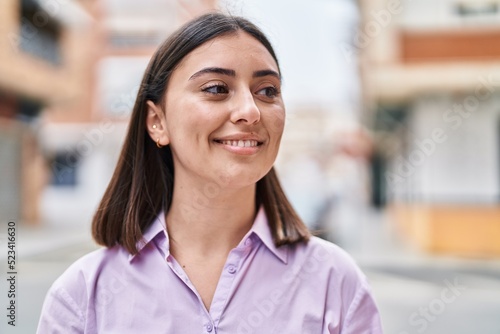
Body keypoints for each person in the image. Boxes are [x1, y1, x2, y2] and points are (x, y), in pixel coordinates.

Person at [37, 12, 383, 334]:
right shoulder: (82, 296)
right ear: (157, 122)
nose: (250, 111)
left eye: (267, 91)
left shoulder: (335, 283)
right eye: (216, 89)